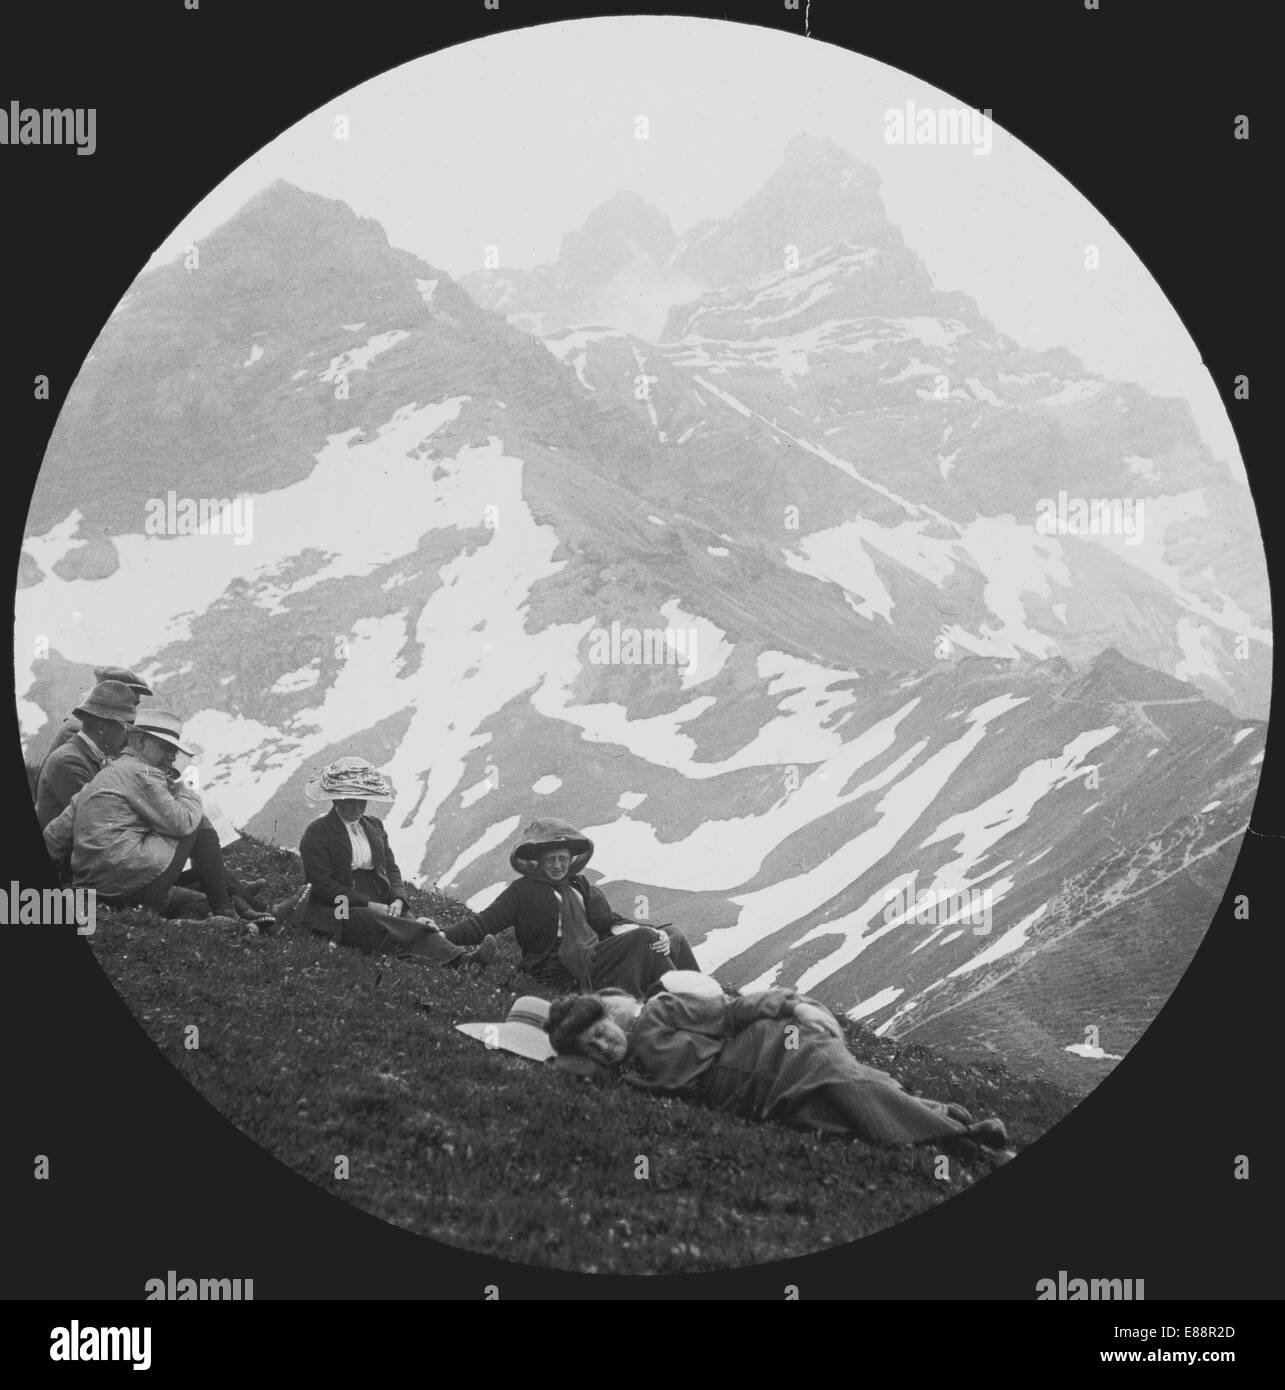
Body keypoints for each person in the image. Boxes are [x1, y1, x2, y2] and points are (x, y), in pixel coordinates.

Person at [545, 985, 1014, 1159]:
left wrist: (795, 1008)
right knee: (835, 1119)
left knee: (845, 1086)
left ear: (611, 1017)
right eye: (593, 1047)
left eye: (602, 1032)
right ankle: (941, 1114)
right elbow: (562, 1064)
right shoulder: (625, 1074)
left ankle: (964, 1137)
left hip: (774, 1051)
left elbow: (734, 1010)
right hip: (755, 1098)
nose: (604, 1046)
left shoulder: (660, 1013)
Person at [43, 709, 304, 930]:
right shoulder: (142, 773)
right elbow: (181, 823)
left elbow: (54, 837)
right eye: (165, 747)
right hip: (128, 884)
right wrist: (185, 792)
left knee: (197, 903)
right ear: (138, 741)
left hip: (99, 891)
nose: (171, 756)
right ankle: (233, 910)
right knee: (197, 822)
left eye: (173, 750)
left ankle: (234, 913)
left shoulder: (102, 777)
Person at [440, 818, 703, 995]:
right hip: (556, 969)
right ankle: (676, 1002)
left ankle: (704, 995)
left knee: (672, 935)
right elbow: (483, 923)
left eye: (562, 859)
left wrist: (657, 934)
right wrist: (442, 935)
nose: (557, 865)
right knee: (645, 939)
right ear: (538, 862)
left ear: (571, 860)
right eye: (551, 859)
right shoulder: (522, 891)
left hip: (593, 953)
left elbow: (610, 921)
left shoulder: (580, 886)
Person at [298, 757, 495, 969]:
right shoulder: (318, 832)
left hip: (379, 900)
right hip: (338, 907)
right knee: (383, 922)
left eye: (361, 800)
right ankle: (462, 960)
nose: (356, 807)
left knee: (402, 925)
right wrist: (369, 904)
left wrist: (398, 899)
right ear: (336, 799)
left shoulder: (373, 826)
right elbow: (322, 886)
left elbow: (390, 869)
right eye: (349, 800)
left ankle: (462, 961)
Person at [34, 680, 135, 830]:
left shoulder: (88, 756)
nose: (128, 737)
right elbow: (98, 820)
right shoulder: (69, 762)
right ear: (101, 729)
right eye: (125, 728)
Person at [43, 665, 153, 761]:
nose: (131, 711)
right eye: (128, 702)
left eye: (135, 704)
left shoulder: (87, 723)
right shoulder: (79, 728)